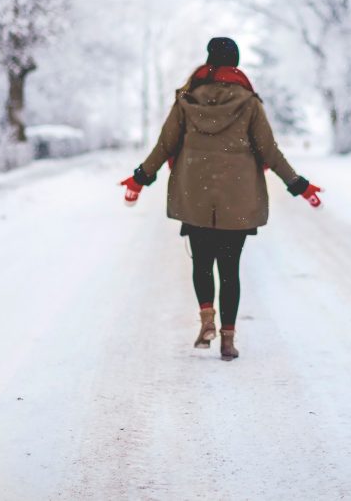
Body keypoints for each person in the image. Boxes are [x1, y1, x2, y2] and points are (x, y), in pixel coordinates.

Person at [120, 37, 322, 361]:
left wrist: (140, 177)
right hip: (237, 198)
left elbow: (165, 145)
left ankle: (206, 319)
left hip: (194, 195)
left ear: (209, 61)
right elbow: (269, 151)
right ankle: (228, 341)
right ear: (236, 64)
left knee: (201, 263)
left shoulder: (187, 100)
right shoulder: (249, 103)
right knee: (230, 270)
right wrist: (299, 185)